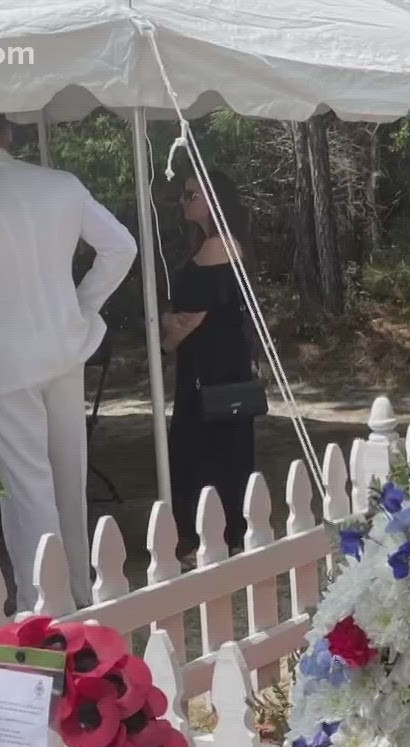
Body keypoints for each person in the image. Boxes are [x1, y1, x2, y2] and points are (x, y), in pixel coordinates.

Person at [0, 113, 137, 610]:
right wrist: (82, 305)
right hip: (65, 346)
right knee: (69, 472)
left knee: (26, 484)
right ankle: (82, 591)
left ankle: (45, 603)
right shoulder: (61, 184)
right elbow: (120, 247)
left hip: (4, 359)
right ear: (9, 132)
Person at [163, 170, 258, 552]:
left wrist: (164, 339)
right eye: (184, 196)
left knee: (199, 447)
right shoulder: (222, 244)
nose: (184, 202)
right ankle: (228, 529)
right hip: (222, 362)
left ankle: (208, 533)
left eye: (192, 196)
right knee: (224, 446)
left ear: (215, 201)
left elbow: (191, 316)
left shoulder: (216, 249)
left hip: (210, 366)